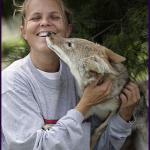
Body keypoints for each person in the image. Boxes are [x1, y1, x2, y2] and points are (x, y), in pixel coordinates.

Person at [2, 0, 140, 149]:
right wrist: (84, 106)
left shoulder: (83, 78)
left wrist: (123, 117)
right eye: (36, 18)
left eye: (54, 17)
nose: (45, 22)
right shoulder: (12, 81)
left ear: (68, 30)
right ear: (23, 32)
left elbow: (99, 146)